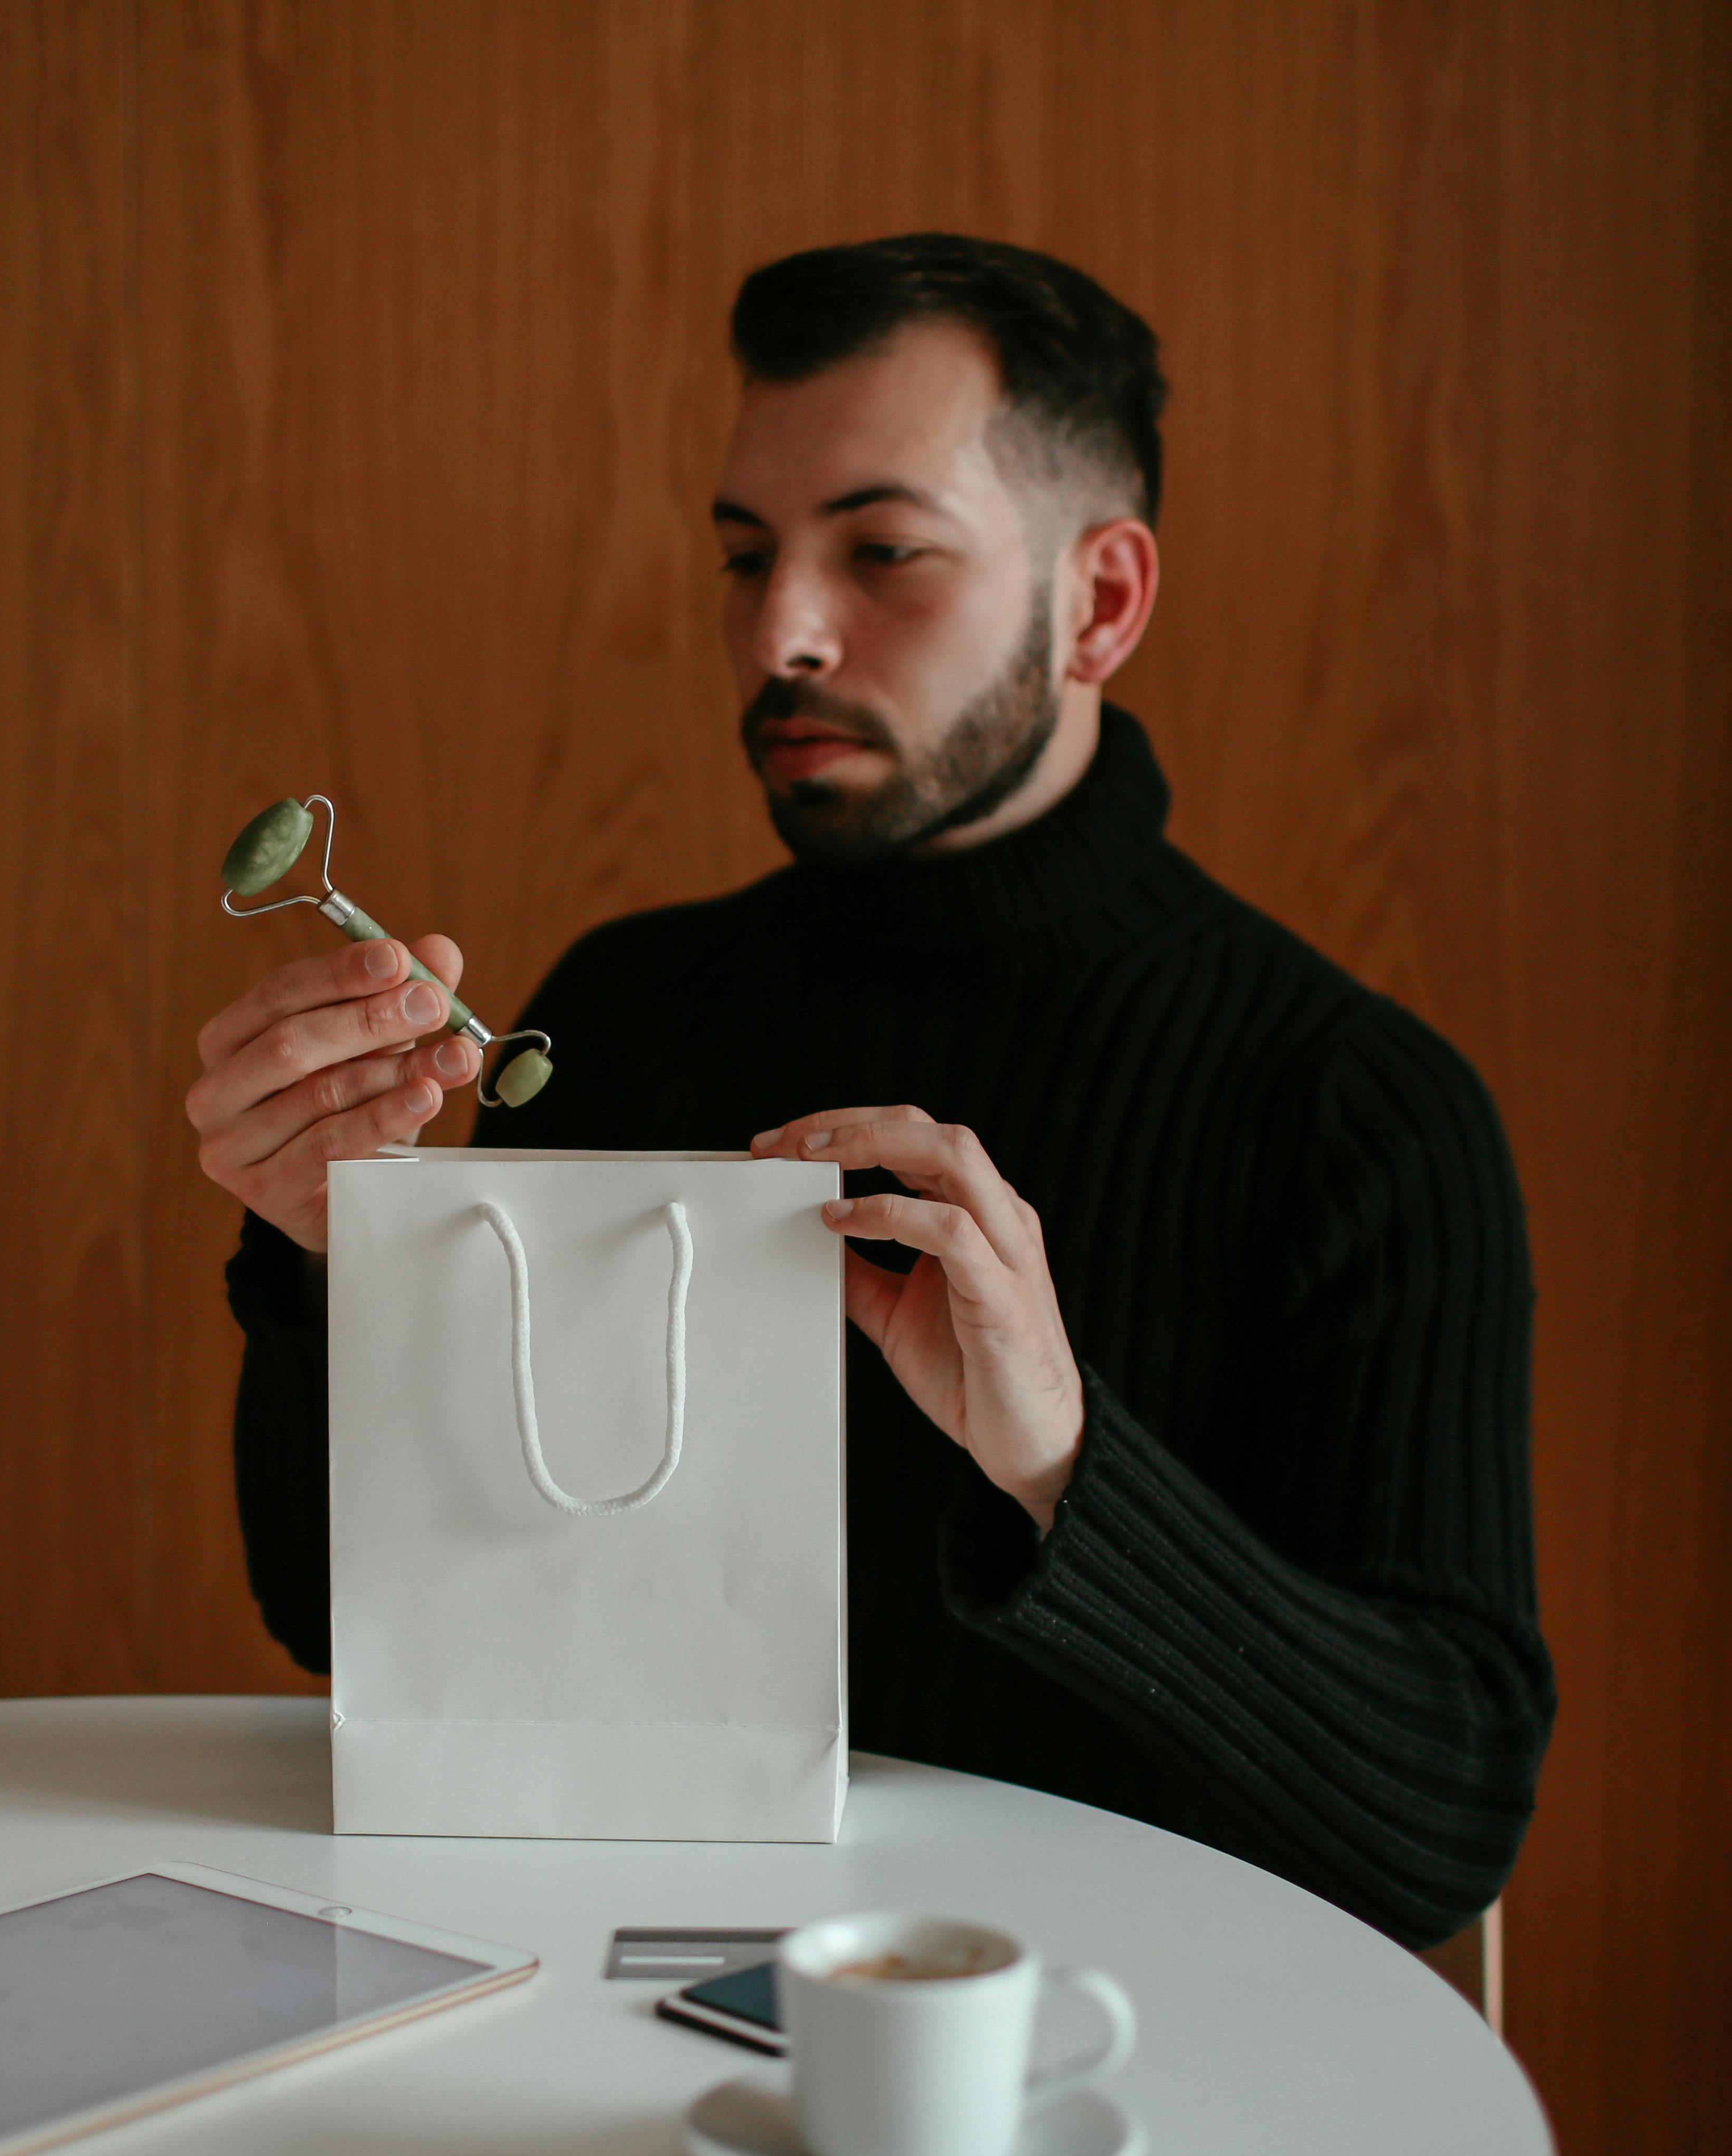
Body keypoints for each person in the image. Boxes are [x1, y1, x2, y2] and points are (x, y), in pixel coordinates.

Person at [184, 234, 1551, 1950]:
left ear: (1102, 603)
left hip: (1118, 2087)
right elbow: (336, 1621)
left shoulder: (1361, 1111)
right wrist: (327, 1269)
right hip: (605, 2028)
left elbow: (1443, 1823)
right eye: (747, 556)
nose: (783, 632)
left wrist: (1060, 1462)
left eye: (883, 553)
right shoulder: (624, 1013)